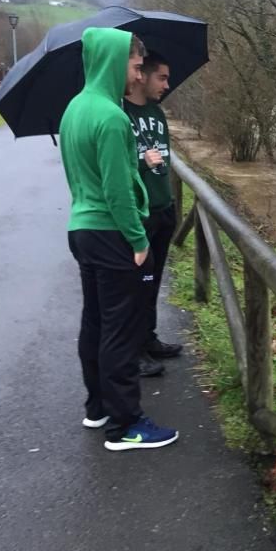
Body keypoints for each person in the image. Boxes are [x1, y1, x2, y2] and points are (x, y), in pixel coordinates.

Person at [60, 27, 179, 451]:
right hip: (112, 232)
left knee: (94, 322)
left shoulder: (75, 108)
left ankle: (98, 408)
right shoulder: (111, 117)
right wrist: (138, 240)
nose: (136, 73)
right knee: (120, 330)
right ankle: (126, 424)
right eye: (132, 65)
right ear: (113, 62)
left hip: (83, 229)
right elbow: (118, 191)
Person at [123, 51, 183, 375]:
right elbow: (115, 168)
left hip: (164, 209)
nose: (166, 84)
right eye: (161, 77)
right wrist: (139, 162)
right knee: (137, 284)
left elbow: (166, 161)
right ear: (140, 76)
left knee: (154, 280)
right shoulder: (120, 114)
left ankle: (149, 339)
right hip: (139, 214)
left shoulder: (157, 114)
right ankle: (134, 350)